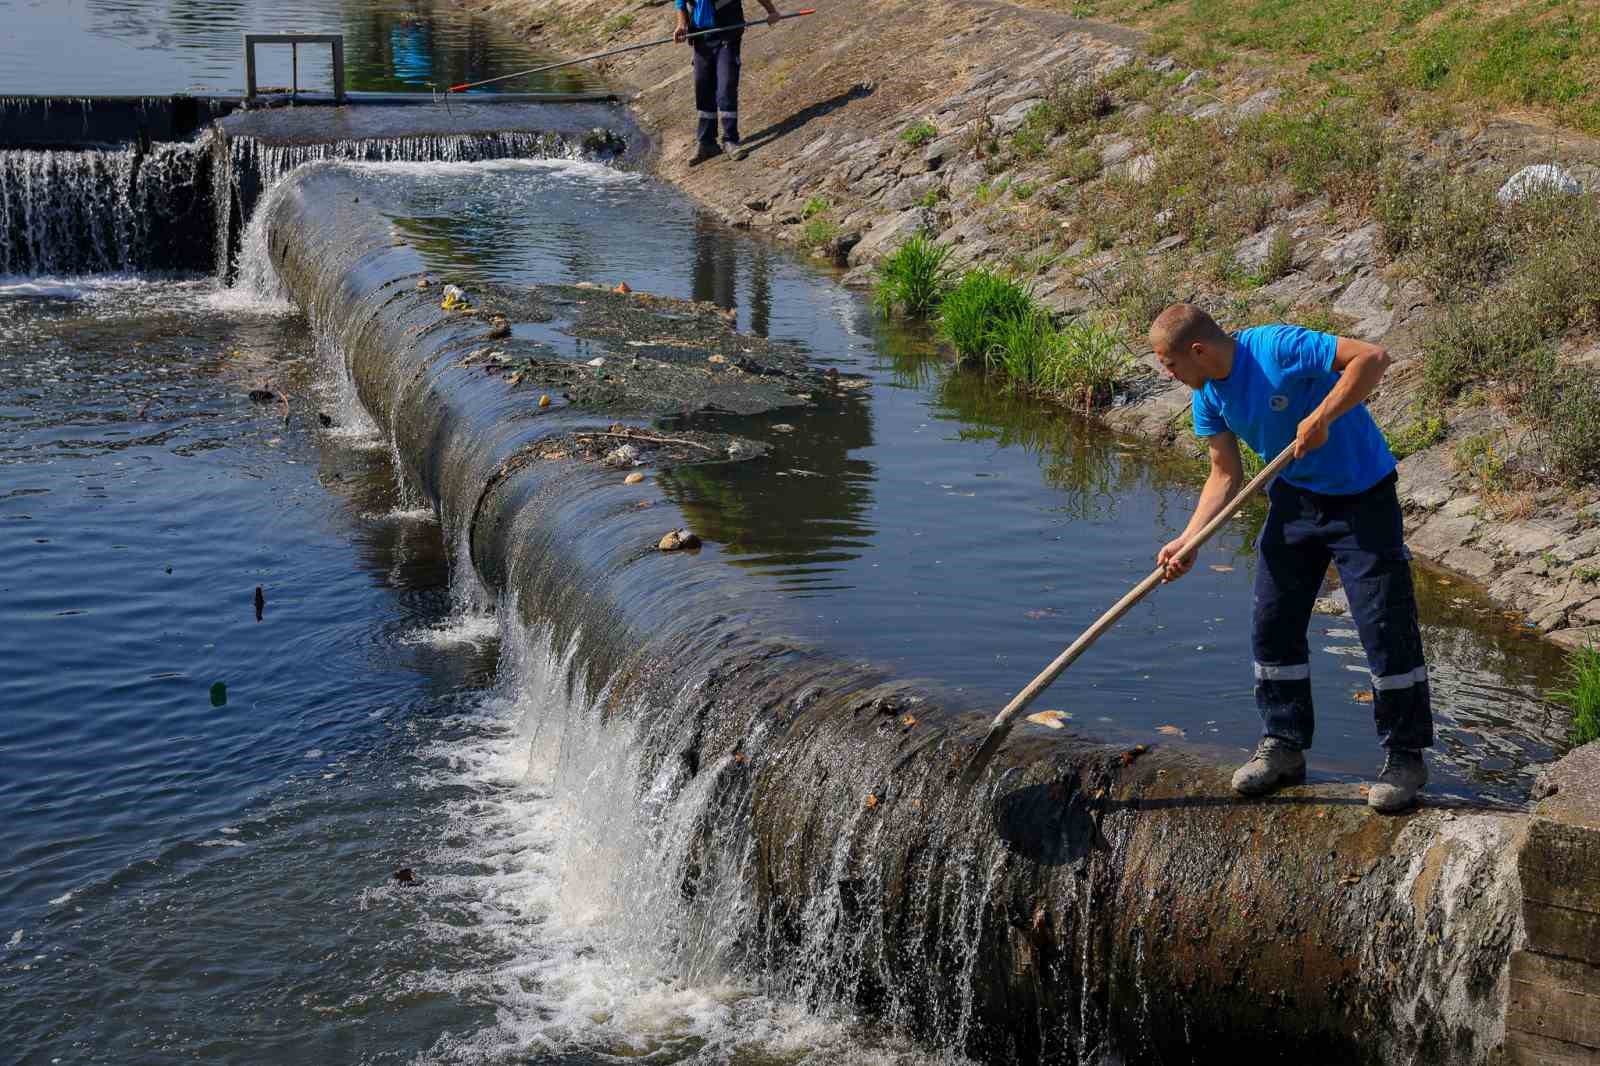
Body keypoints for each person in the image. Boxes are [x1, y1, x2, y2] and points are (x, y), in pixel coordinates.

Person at [1148, 304, 1431, 813]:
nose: (1170, 375)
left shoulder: (1277, 347)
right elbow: (1223, 475)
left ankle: (1405, 758)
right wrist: (1190, 539)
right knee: (1272, 621)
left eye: (1169, 365)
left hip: (1363, 497)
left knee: (1383, 625)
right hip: (1296, 500)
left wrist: (1321, 416)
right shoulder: (1207, 396)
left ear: (1197, 351)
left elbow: (1373, 357)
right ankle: (1283, 745)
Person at [673, 0, 780, 164]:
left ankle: (730, 140)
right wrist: (682, 24)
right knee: (703, 90)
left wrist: (771, 11)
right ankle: (707, 143)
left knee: (725, 89)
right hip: (701, 38)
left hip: (726, 36)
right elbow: (680, 2)